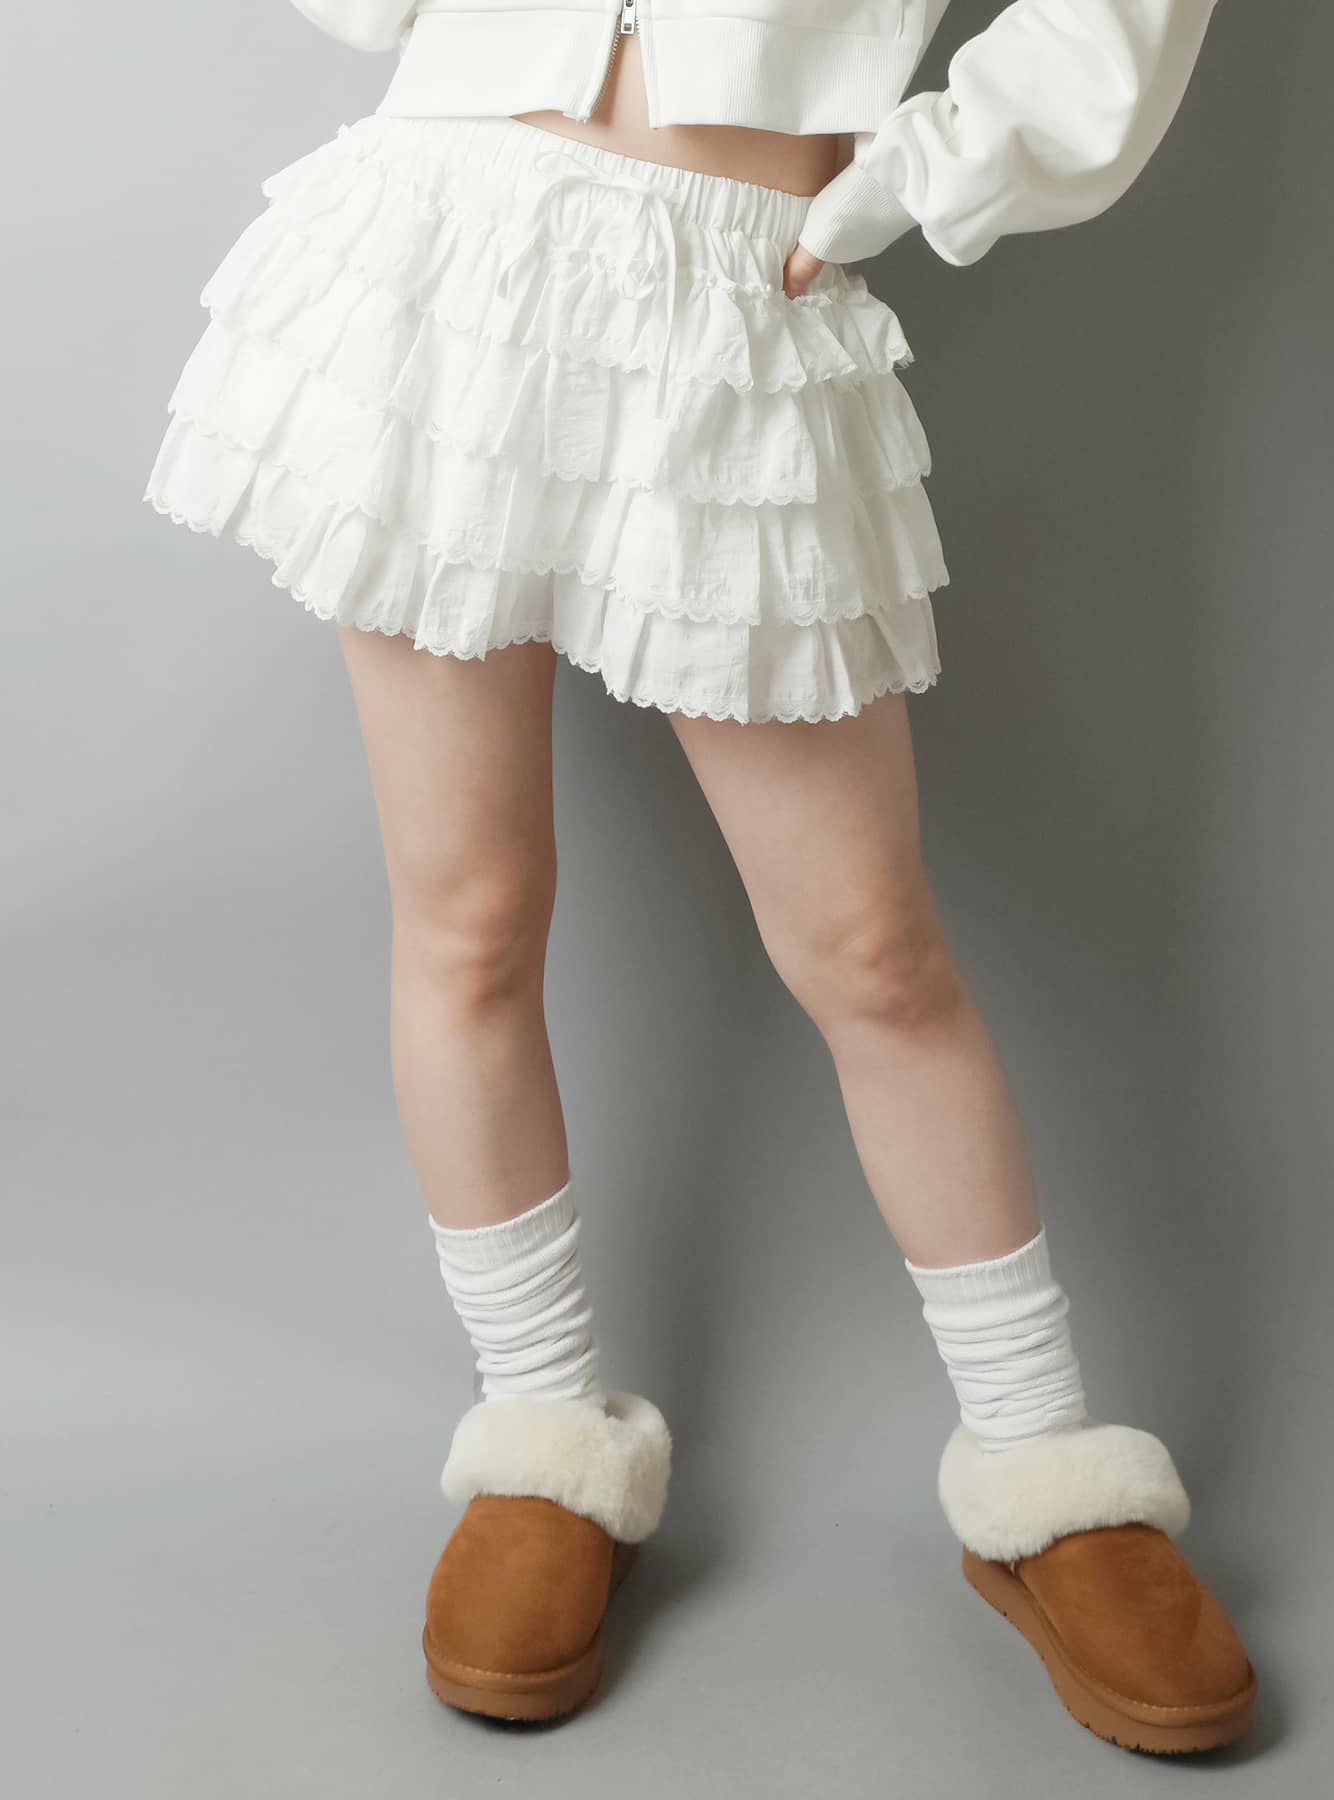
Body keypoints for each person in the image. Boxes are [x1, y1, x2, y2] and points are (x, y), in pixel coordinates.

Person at [144, 0, 1254, 1754]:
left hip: (737, 290)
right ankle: (541, 1445)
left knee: (870, 953)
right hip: (444, 247)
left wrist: (904, 179)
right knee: (469, 917)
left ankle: (1046, 1472)